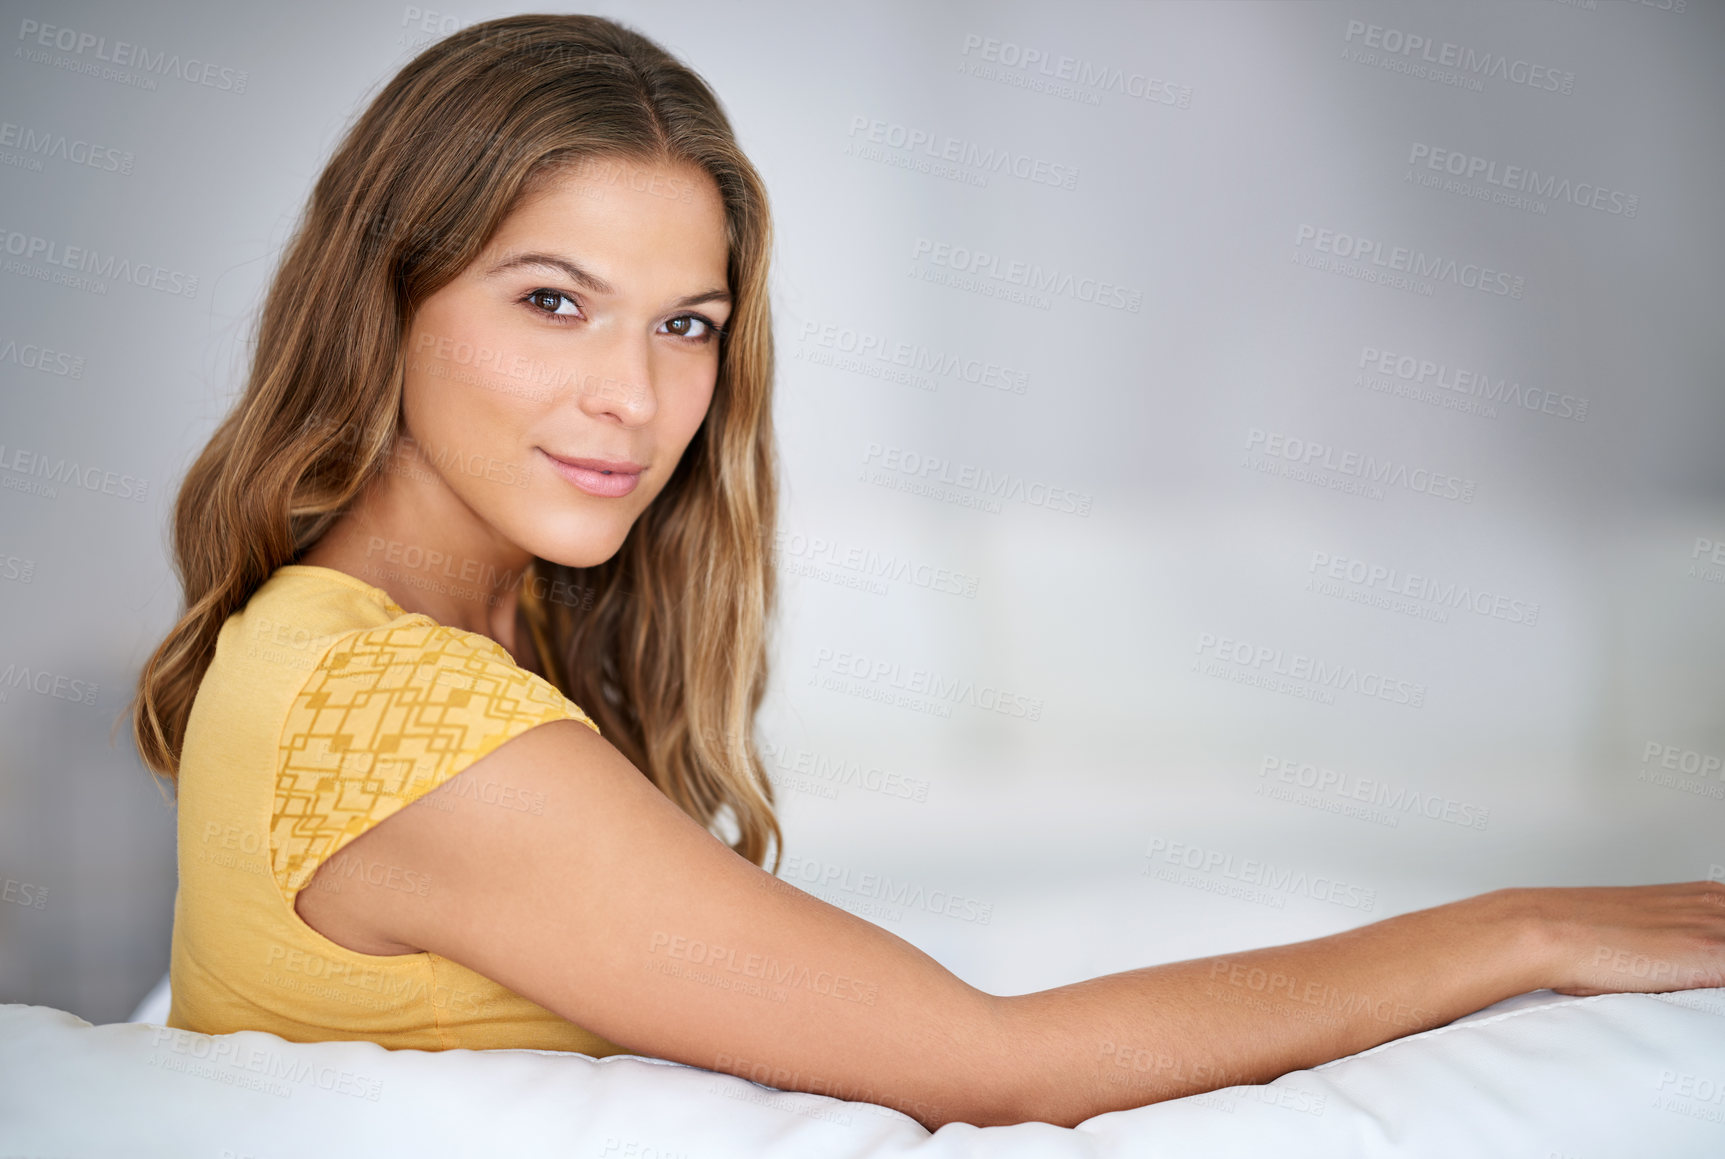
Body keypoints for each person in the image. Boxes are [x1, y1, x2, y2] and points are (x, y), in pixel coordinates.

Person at [127, 12, 1725, 1133]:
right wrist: (1514, 931)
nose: (635, 395)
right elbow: (992, 1062)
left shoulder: (440, 629)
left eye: (684, 323)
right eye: (554, 301)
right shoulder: (391, 715)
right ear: (385, 295)